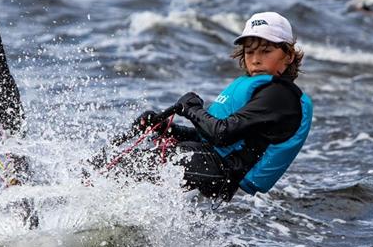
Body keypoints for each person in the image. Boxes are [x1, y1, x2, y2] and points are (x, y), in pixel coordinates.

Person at [122, 12, 313, 202]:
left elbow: (221, 134)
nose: (255, 59)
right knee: (130, 161)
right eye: (249, 52)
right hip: (210, 159)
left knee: (130, 166)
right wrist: (168, 129)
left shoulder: (279, 96)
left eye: (266, 51)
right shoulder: (264, 90)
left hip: (222, 169)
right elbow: (209, 137)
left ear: (288, 56)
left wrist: (191, 109)